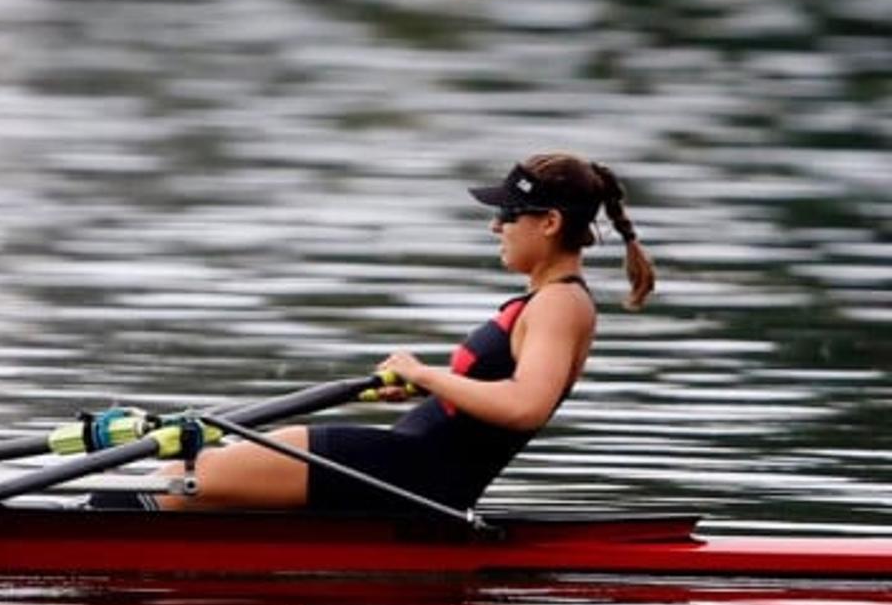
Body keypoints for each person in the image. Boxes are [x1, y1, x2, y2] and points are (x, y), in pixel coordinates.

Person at [155, 153, 657, 514]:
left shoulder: (560, 305)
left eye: (507, 213)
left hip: (414, 476)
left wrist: (429, 376)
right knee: (185, 476)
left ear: (548, 223)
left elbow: (525, 404)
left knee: (180, 482)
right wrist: (423, 388)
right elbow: (490, 398)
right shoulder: (550, 302)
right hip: (407, 466)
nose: (494, 227)